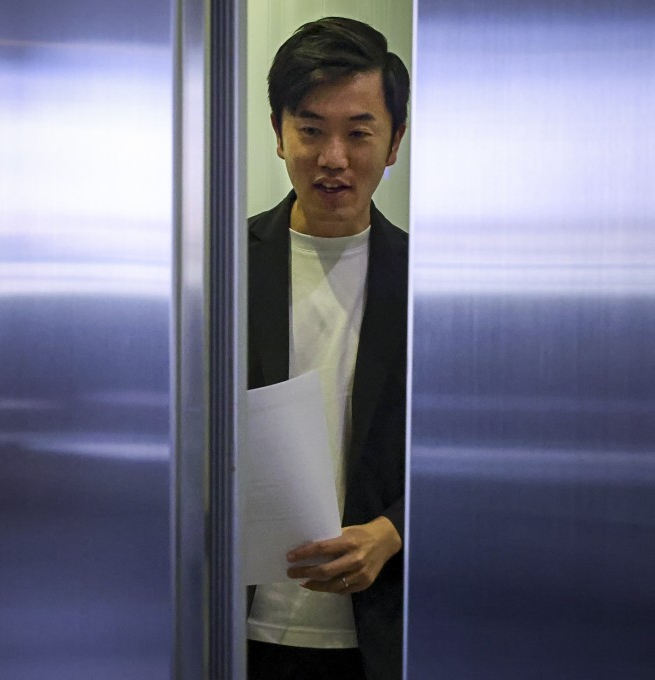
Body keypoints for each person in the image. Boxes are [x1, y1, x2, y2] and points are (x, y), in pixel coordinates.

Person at [246, 17, 409, 680]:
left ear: (395, 141)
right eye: (311, 130)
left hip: (378, 632)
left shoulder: (432, 283)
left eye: (358, 131)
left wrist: (392, 531)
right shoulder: (219, 268)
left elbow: (473, 447)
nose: (332, 157)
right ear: (279, 132)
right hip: (239, 625)